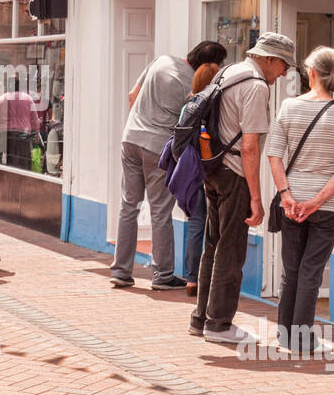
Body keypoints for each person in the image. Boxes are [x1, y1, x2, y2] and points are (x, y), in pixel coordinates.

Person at [190, 32, 294, 343]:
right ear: (270, 59)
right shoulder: (256, 86)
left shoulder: (228, 72)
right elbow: (250, 147)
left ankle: (201, 318)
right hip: (234, 172)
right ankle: (219, 324)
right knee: (231, 249)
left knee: (213, 245)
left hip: (212, 168)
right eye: (284, 65)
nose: (285, 73)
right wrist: (256, 197)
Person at [111, 41, 226, 292]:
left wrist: (141, 126)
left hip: (130, 138)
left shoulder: (161, 60)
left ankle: (121, 271)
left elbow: (133, 95)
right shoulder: (192, 85)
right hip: (156, 146)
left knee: (129, 206)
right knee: (160, 211)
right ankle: (162, 275)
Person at [266, 47, 334, 355]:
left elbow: (274, 155)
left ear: (311, 73)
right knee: (311, 270)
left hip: (293, 201)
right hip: (328, 205)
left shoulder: (288, 107)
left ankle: (285, 335)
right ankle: (303, 339)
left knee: (291, 268)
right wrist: (316, 202)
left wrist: (287, 195)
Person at [180, 55, 228, 293]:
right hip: (213, 168)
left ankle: (191, 279)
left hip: (191, 170)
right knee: (217, 224)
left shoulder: (188, 105)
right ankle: (212, 278)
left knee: (196, 223)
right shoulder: (217, 104)